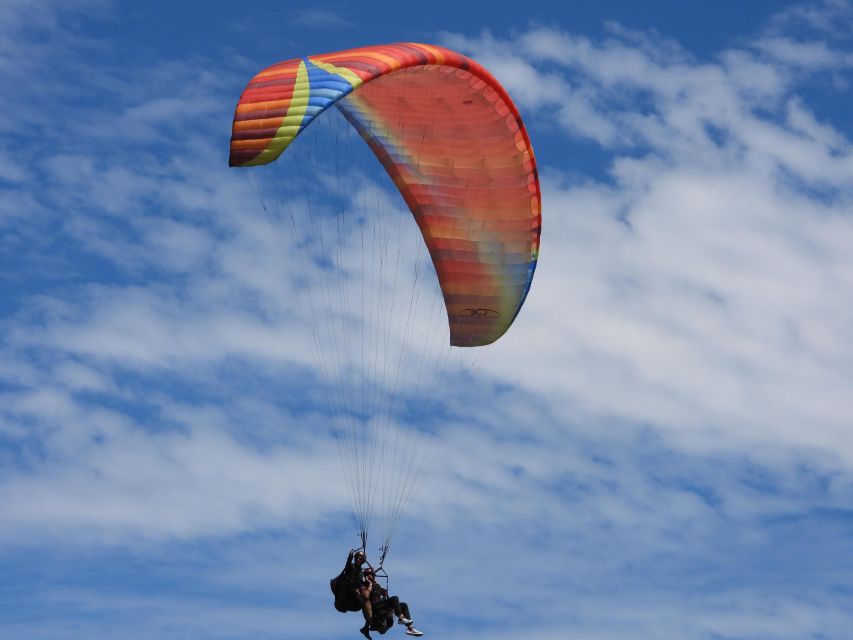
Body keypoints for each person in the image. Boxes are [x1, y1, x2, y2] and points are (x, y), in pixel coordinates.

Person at [363, 567, 423, 637]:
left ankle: (410, 628)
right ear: (365, 576)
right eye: (368, 575)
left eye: (371, 575)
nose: (370, 576)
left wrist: (384, 592)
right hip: (375, 608)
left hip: (382, 605)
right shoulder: (364, 585)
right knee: (395, 598)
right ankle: (401, 618)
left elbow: (380, 590)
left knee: (403, 605)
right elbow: (365, 595)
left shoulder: (376, 585)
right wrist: (369, 584)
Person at [331, 549, 368, 614]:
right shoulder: (351, 566)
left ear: (363, 561)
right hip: (346, 591)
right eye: (357, 558)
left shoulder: (361, 573)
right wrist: (349, 559)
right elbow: (347, 568)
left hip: (352, 595)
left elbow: (359, 583)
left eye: (360, 559)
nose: (358, 560)